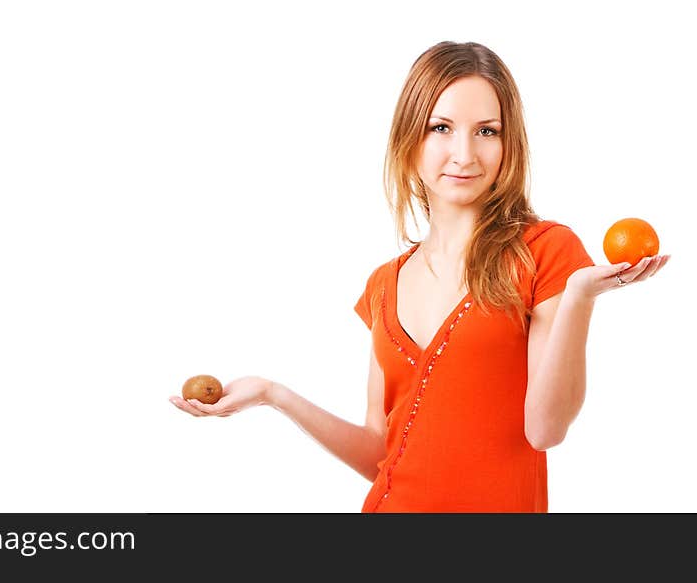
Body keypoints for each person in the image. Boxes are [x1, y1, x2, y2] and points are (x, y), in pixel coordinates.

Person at [168, 41, 670, 512]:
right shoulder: (384, 284)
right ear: (410, 140)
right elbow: (378, 454)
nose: (465, 154)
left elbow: (544, 430)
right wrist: (272, 394)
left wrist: (582, 295)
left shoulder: (546, 252)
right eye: (440, 128)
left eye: (487, 131)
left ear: (509, 142)